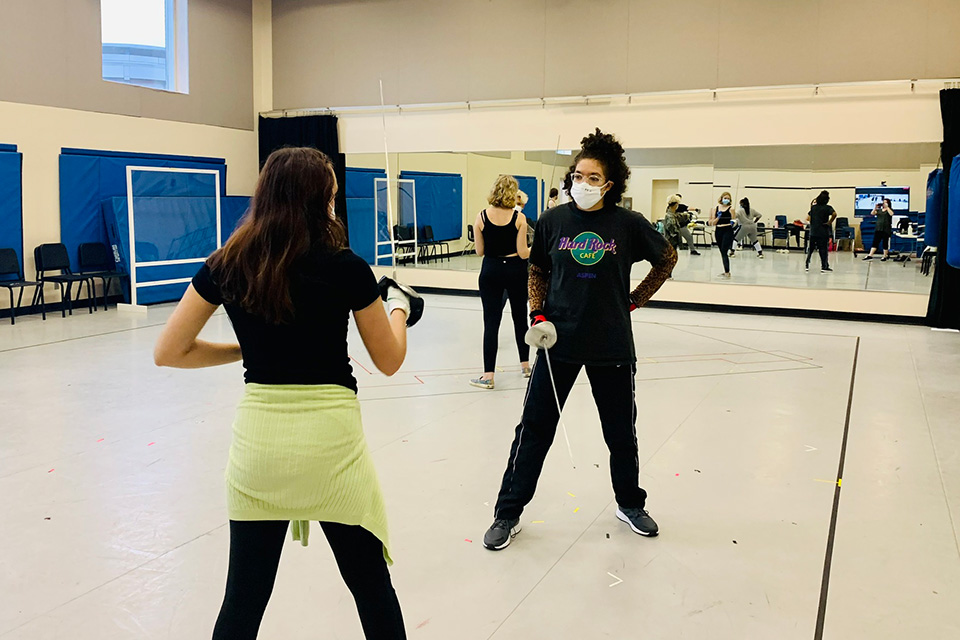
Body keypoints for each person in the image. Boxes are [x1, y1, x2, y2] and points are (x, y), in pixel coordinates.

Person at [153, 147, 412, 640]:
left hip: (259, 449)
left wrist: (247, 349)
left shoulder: (227, 263)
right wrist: (398, 307)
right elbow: (389, 359)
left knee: (243, 600)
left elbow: (169, 351)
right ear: (322, 199)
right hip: (332, 448)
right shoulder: (347, 267)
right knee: (371, 588)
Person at [482, 128, 677, 550]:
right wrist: (537, 312)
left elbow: (667, 258)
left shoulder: (627, 224)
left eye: (593, 177)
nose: (582, 183)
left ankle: (630, 504)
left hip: (611, 343)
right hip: (559, 343)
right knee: (534, 429)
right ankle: (507, 512)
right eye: (578, 175)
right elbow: (537, 269)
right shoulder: (553, 221)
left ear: (609, 184)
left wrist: (636, 299)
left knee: (620, 433)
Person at [470, 175, 532, 389]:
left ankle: (488, 376)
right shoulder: (519, 218)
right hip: (515, 270)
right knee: (520, 318)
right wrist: (537, 247)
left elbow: (479, 251)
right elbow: (523, 253)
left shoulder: (481, 217)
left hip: (491, 270)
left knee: (491, 323)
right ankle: (525, 366)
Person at [806, 190, 837, 273]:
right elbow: (834, 214)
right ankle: (824, 266)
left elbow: (808, 218)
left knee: (811, 249)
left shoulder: (813, 208)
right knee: (823, 250)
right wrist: (830, 222)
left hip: (813, 231)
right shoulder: (828, 208)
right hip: (823, 231)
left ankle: (807, 264)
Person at [709, 191, 735, 279]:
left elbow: (734, 221)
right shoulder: (716, 208)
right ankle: (726, 271)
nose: (726, 200)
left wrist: (733, 222)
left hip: (727, 230)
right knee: (722, 251)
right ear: (721, 198)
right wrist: (718, 217)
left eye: (728, 198)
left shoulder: (731, 209)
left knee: (724, 250)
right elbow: (712, 222)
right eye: (725, 198)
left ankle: (727, 272)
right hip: (718, 230)